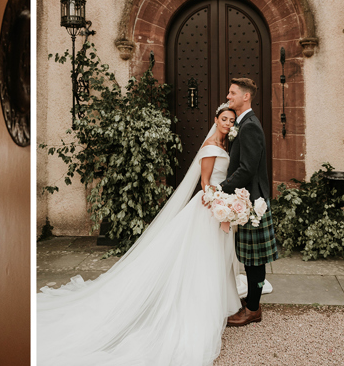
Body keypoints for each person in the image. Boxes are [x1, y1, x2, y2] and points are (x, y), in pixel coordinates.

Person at [37, 104, 242, 366]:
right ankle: (199, 304)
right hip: (209, 208)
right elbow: (205, 184)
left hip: (219, 209)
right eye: (224, 119)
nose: (227, 123)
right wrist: (220, 206)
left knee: (211, 257)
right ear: (215, 119)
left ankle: (217, 299)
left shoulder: (226, 145)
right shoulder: (212, 147)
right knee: (201, 257)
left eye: (231, 120)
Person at [221, 78, 279, 327]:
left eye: (232, 92)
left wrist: (221, 189)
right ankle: (252, 303)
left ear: (246, 97)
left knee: (255, 259)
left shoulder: (250, 126)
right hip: (248, 200)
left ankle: (253, 309)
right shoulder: (243, 124)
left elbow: (247, 168)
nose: (228, 95)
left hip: (253, 201)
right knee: (250, 257)